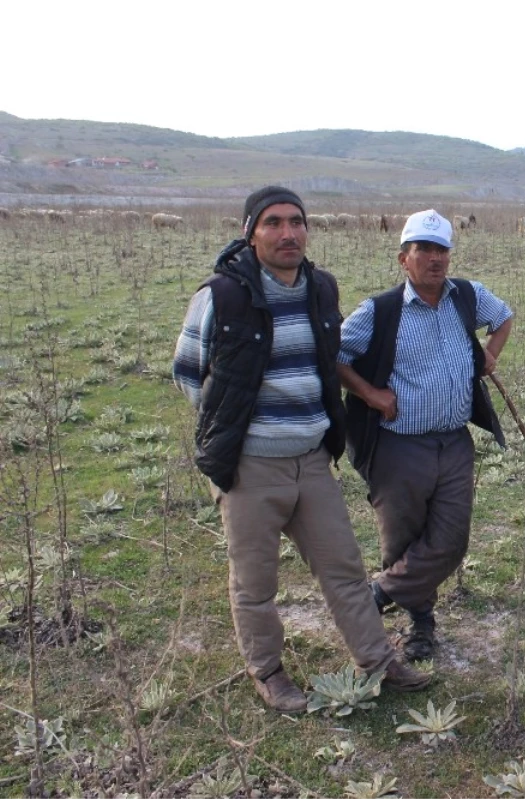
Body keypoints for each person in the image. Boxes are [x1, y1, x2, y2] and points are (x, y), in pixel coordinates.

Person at [172, 186, 431, 712]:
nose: (287, 233)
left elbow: (327, 362)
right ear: (250, 232)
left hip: (312, 459)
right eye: (273, 223)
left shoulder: (320, 289)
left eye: (296, 222)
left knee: (344, 567)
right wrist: (236, 427)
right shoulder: (221, 296)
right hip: (250, 467)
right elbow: (188, 373)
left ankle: (378, 660)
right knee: (255, 581)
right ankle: (268, 673)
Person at [337, 210, 513, 661]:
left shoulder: (467, 297)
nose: (435, 259)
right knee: (402, 539)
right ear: (404, 259)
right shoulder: (381, 310)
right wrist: (371, 394)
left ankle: (376, 595)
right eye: (424, 251)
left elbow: (504, 317)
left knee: (451, 541)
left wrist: (490, 353)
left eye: (441, 251)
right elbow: (334, 354)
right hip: (399, 445)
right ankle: (421, 625)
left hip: (454, 441)